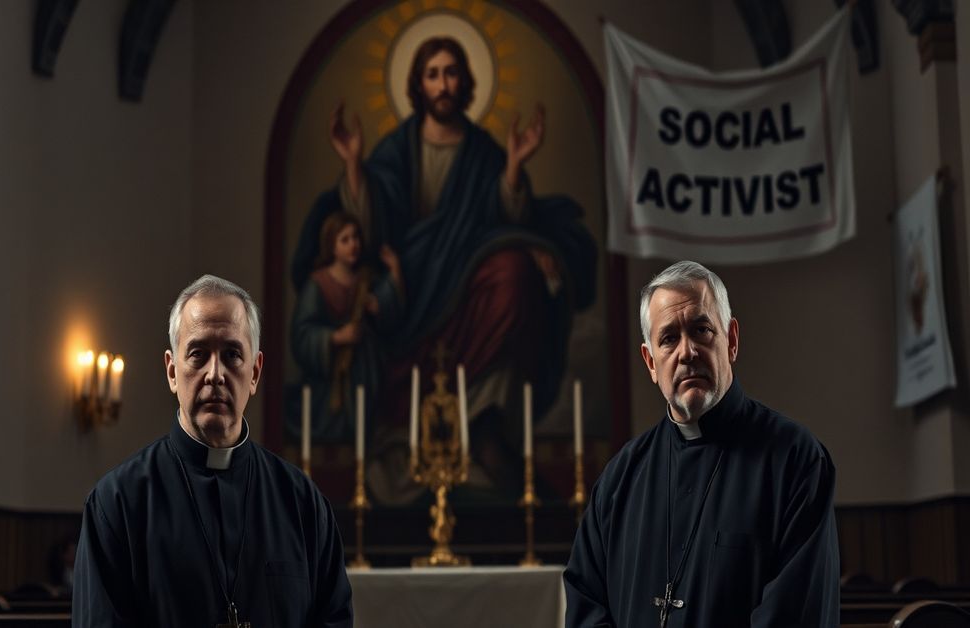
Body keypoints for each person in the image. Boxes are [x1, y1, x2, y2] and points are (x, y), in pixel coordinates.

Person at [292, 36, 596, 499]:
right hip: (410, 290)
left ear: (465, 81)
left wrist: (513, 167)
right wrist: (353, 165)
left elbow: (506, 221)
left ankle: (482, 415)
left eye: (451, 73)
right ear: (418, 84)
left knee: (514, 273)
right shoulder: (397, 149)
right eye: (433, 74)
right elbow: (371, 227)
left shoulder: (483, 152)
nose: (443, 84)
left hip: (466, 281)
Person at [563, 261, 839, 627]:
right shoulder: (620, 479)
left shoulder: (795, 460)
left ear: (732, 340)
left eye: (701, 330)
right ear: (650, 362)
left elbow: (795, 615)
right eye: (668, 338)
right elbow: (586, 607)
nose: (687, 352)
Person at [73, 275, 353, 627]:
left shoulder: (302, 503)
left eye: (232, 354)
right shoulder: (117, 503)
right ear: (172, 371)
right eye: (198, 354)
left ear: (255, 372)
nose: (215, 374)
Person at [290, 211, 403, 441]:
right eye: (345, 239)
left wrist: (394, 275)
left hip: (366, 371)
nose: (354, 244)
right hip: (333, 376)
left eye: (356, 237)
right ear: (332, 246)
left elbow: (389, 306)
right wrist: (336, 337)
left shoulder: (365, 278)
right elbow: (301, 333)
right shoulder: (318, 284)